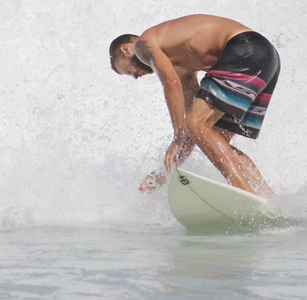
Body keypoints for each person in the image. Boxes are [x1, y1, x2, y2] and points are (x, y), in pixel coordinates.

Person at [109, 14, 280, 197]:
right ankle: (267, 197)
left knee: (195, 124)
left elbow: (171, 83)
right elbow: (193, 133)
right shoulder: (183, 69)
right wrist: (164, 173)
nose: (135, 77)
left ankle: (245, 194)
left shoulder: (143, 44)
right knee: (210, 133)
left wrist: (177, 135)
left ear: (126, 49)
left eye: (128, 71)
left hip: (244, 49)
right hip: (267, 58)